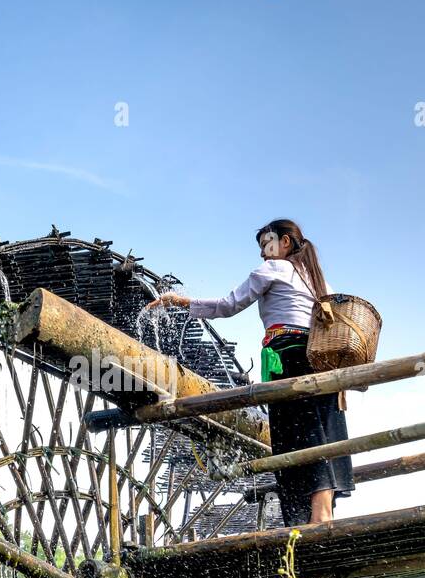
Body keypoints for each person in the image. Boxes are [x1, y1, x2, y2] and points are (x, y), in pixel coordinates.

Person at [146, 219, 355, 526]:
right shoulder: (319, 282)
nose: (262, 253)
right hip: (321, 359)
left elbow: (228, 306)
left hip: (289, 355)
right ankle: (322, 513)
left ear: (285, 242)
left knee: (294, 436)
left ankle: (309, 519)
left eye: (266, 244)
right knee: (323, 431)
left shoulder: (272, 270)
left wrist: (179, 301)